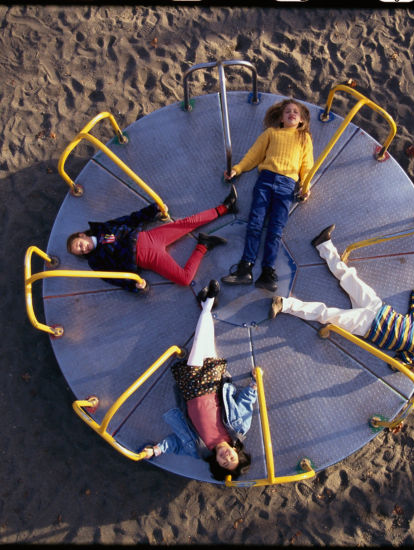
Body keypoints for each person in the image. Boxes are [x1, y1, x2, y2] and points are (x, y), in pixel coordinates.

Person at [269, 224, 414, 372]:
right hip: (377, 307)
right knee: (348, 277)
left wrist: (412, 368)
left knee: (327, 314)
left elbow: (394, 364)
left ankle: (284, 304)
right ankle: (323, 245)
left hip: (369, 327)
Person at [141, 280, 258, 481]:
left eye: (224, 462)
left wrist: (156, 450)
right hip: (213, 384)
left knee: (199, 342)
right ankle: (207, 303)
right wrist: (254, 386)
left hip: (191, 389)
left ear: (216, 463)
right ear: (236, 451)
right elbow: (244, 403)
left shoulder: (199, 448)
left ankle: (208, 302)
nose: (226, 457)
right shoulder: (238, 429)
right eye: (232, 458)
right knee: (206, 340)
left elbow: (176, 443)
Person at [221, 98, 315, 292]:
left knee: (275, 229)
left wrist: (305, 186)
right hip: (265, 180)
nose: (291, 113)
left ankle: (267, 272)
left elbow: (307, 165)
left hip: (287, 185)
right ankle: (245, 268)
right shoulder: (271, 133)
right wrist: (237, 169)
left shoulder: (304, 138)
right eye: (287, 111)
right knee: (255, 223)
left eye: (296, 112)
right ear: (281, 118)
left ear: (301, 121)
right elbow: (254, 155)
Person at [66, 187, 238, 292]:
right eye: (80, 252)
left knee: (186, 223)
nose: (83, 249)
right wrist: (136, 286)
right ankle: (203, 245)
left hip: (146, 238)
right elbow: (114, 278)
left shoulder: (102, 229)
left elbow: (129, 220)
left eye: (79, 245)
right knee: (185, 279)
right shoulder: (96, 261)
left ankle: (225, 207)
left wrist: (153, 209)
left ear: (82, 235)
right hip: (146, 258)